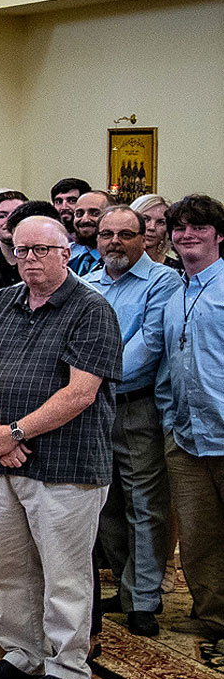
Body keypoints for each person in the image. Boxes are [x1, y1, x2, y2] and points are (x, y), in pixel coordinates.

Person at [0, 216, 123, 679]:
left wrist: (15, 433)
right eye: (21, 248)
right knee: (10, 568)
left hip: (65, 463)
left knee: (65, 573)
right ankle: (22, 652)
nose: (29, 257)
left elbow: (80, 392)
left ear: (66, 251)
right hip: (1, 458)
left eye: (41, 249)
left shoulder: (91, 309)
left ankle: (69, 670)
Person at [83, 204, 180, 636]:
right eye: (107, 234)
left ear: (146, 238)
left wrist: (92, 376)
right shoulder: (85, 285)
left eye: (126, 234)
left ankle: (144, 599)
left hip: (136, 406)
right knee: (107, 505)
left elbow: (151, 343)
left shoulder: (163, 282)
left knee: (145, 505)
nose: (115, 242)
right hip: (90, 410)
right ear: (97, 239)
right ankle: (125, 587)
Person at [147, 194, 224, 641]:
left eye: (198, 227)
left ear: (219, 235)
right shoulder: (176, 291)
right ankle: (214, 616)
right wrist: (170, 420)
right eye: (180, 228)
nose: (187, 235)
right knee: (198, 538)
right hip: (186, 436)